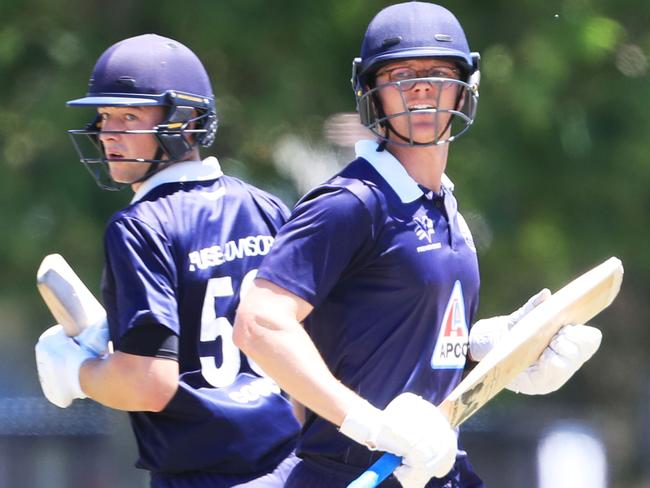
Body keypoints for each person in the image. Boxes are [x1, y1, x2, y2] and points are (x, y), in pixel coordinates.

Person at [233, 3, 602, 488]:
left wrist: (487, 353)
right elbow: (260, 323)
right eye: (402, 74)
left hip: (442, 473)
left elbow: (396, 339)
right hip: (347, 473)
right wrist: (371, 426)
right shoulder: (351, 203)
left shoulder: (446, 206)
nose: (422, 88)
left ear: (465, 88)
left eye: (438, 73)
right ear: (372, 93)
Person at [34, 34, 300, 488]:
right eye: (104, 117)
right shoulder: (267, 207)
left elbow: (149, 384)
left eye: (129, 116)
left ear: (186, 121)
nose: (108, 133)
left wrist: (76, 374)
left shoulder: (140, 226)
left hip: (202, 476)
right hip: (292, 467)